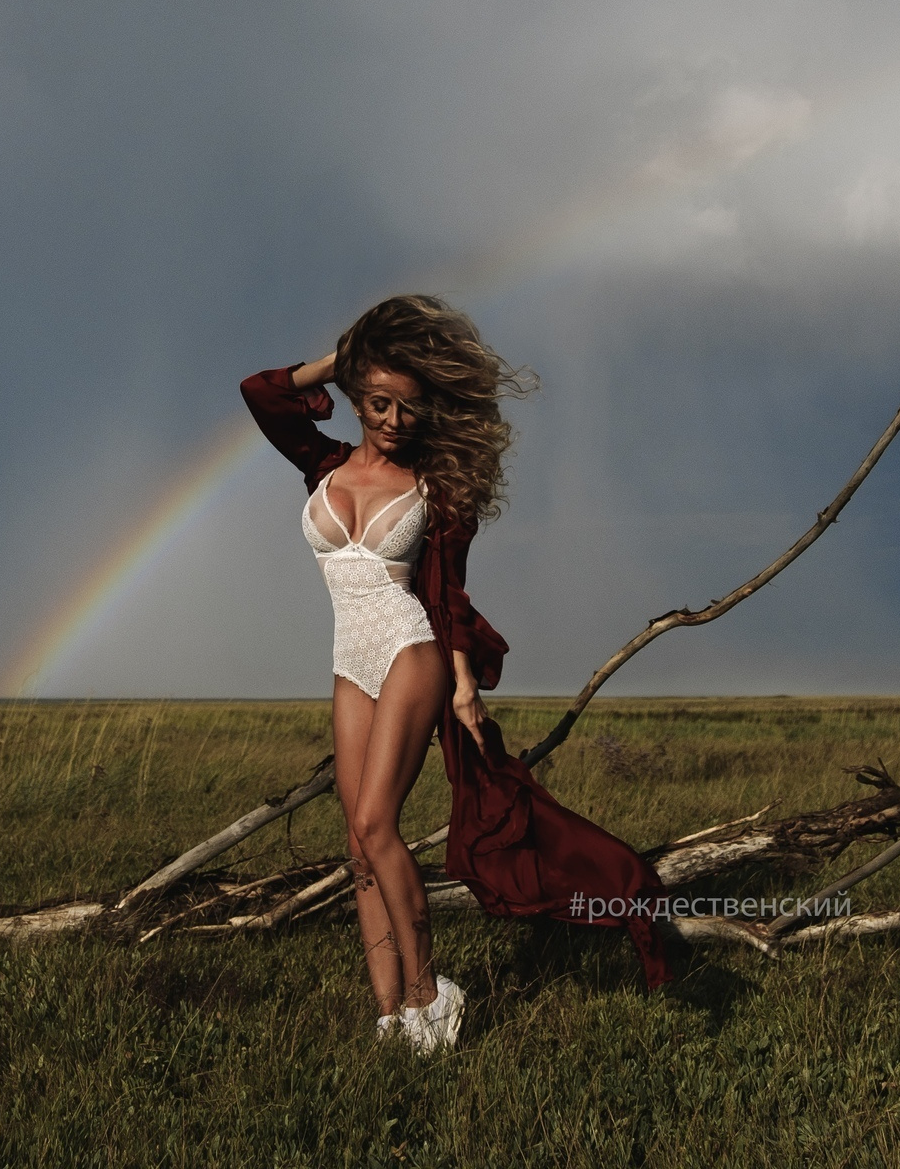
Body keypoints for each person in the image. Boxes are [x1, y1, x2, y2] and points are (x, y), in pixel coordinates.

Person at [241, 294, 669, 1054]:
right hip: (349, 660)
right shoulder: (323, 461)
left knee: (378, 825)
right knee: (356, 842)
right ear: (356, 394)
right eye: (377, 402)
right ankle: (390, 1017)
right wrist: (349, 355)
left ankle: (431, 994)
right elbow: (261, 395)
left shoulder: (437, 492)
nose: (393, 421)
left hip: (412, 649)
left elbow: (451, 595)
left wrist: (465, 685)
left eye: (409, 407)